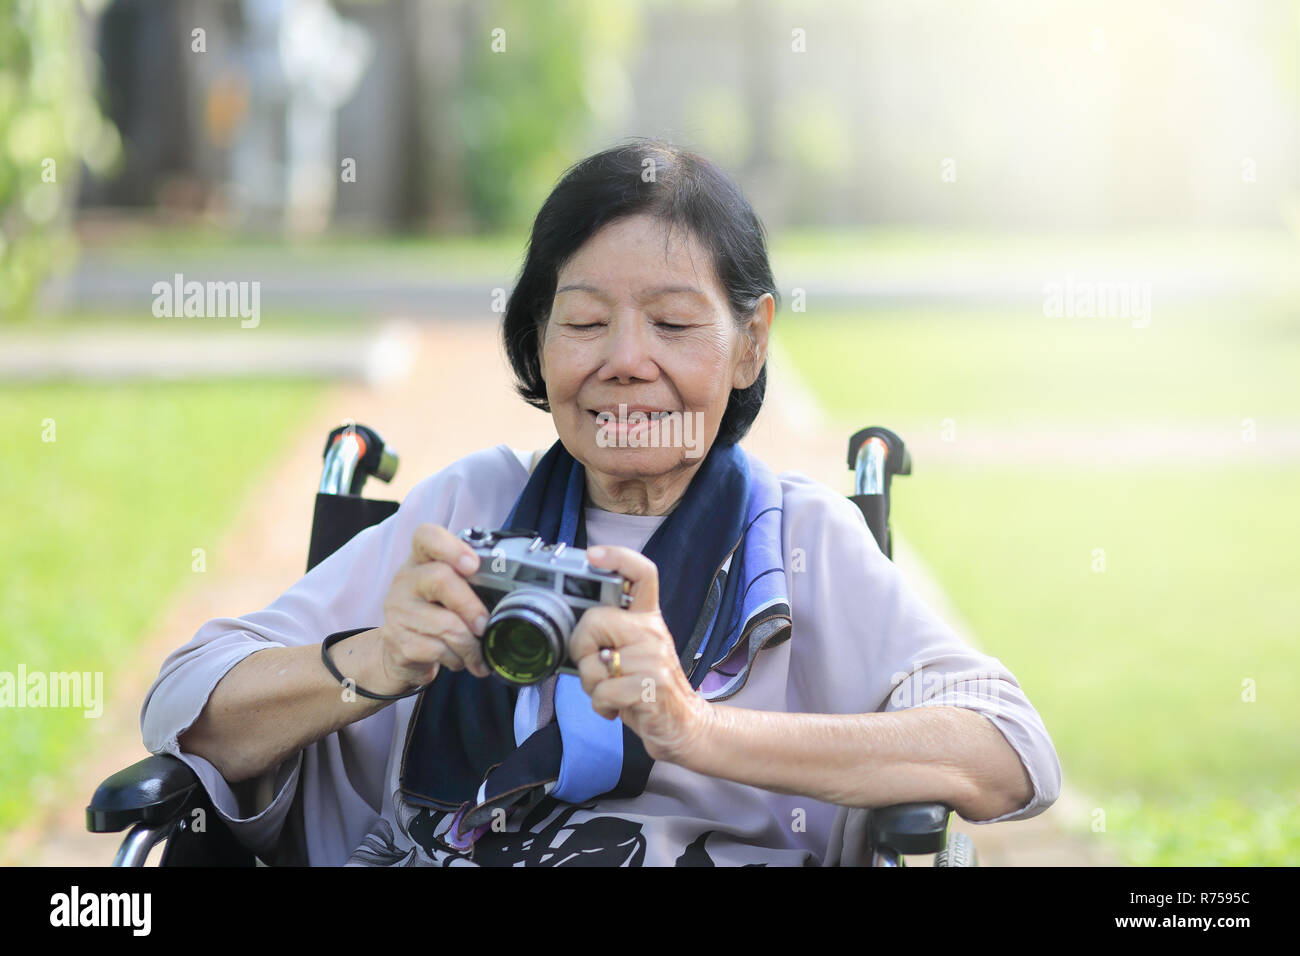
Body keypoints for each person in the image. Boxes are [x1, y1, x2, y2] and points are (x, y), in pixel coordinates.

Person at [141, 138, 1061, 866]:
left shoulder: (803, 537)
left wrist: (698, 729)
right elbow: (187, 700)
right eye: (583, 322)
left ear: (750, 343)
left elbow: (1008, 750)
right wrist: (374, 660)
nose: (624, 360)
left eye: (672, 323)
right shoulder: (470, 506)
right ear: (539, 342)